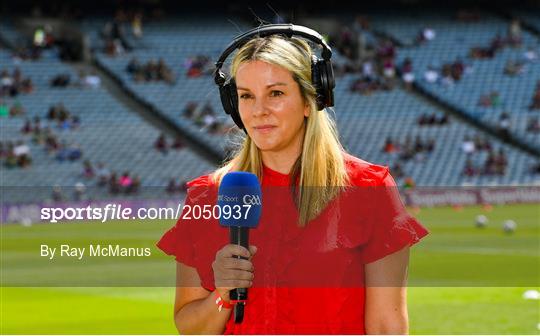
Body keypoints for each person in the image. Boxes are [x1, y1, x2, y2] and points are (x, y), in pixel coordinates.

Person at [156, 24, 428, 334]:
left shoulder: (368, 189)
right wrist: (223, 295)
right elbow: (191, 328)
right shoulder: (206, 196)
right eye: (246, 96)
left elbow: (386, 328)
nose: (259, 111)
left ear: (311, 100)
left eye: (275, 93)